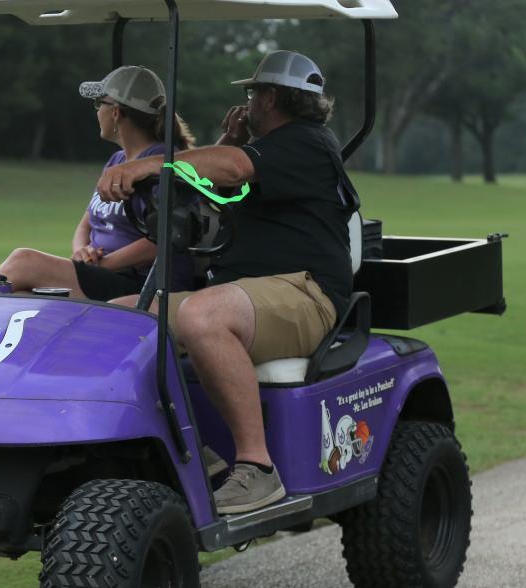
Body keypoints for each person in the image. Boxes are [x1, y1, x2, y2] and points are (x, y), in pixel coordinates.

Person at [98, 51, 360, 514]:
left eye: (253, 93)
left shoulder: (306, 142)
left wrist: (146, 165)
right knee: (117, 317)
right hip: (250, 293)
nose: (248, 102)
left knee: (202, 315)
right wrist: (226, 140)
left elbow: (234, 169)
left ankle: (258, 470)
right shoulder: (268, 155)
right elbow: (212, 187)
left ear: (272, 98)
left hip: (305, 291)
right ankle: (194, 457)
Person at [0, 65, 196, 300]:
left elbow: (167, 240)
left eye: (100, 104)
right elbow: (85, 225)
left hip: (144, 283)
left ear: (116, 112)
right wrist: (82, 253)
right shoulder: (117, 161)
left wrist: (102, 264)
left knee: (23, 261)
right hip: (106, 274)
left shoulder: (164, 163)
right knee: (21, 296)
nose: (97, 111)